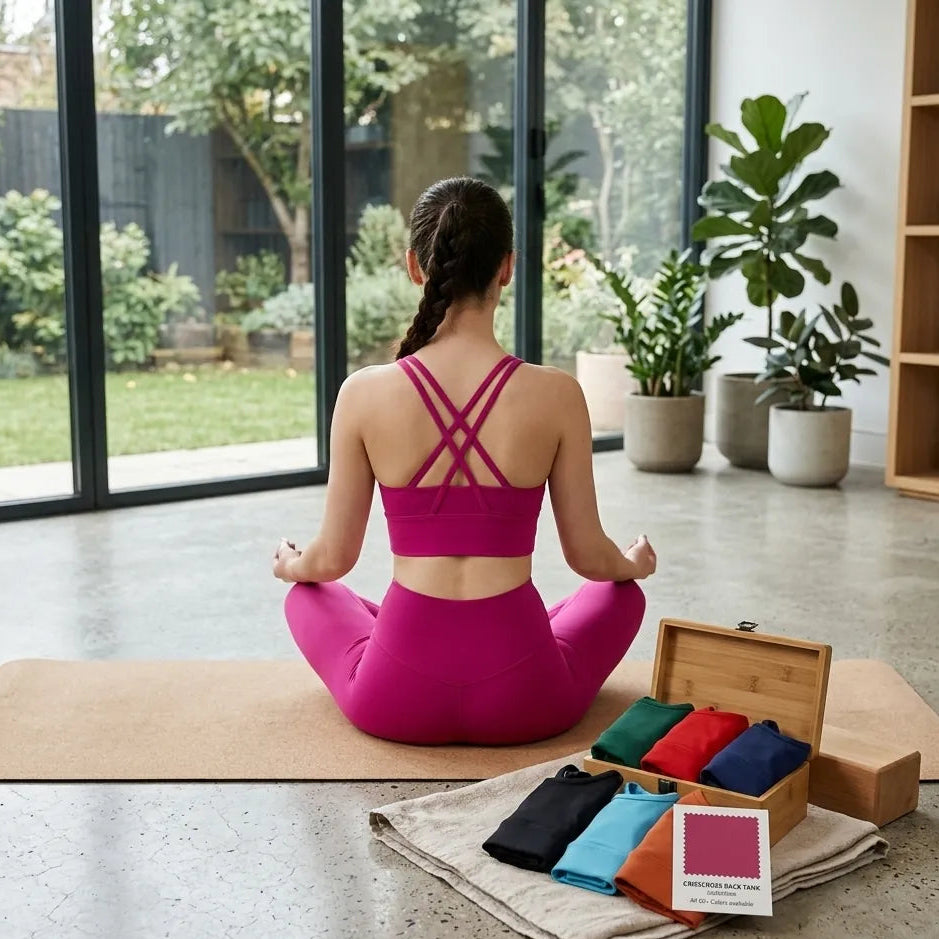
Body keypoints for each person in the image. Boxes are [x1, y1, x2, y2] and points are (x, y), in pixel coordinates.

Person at [273, 176, 656, 746]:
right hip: (527, 700)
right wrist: (633, 563)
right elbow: (589, 558)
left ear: (414, 265)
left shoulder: (363, 393)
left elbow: (332, 560)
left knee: (310, 595)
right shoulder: (556, 394)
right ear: (507, 266)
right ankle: (526, 636)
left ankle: (394, 632)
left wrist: (291, 564)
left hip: (394, 699)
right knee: (620, 593)